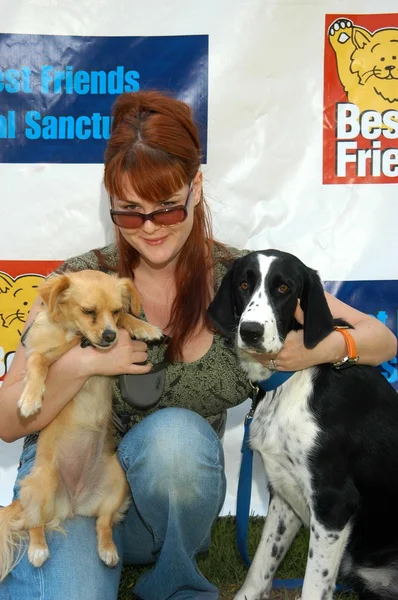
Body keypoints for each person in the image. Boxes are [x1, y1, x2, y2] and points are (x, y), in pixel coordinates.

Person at [0, 90, 396, 600]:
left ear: (196, 189)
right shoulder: (79, 284)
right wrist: (82, 362)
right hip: (68, 494)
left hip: (169, 518)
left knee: (177, 441)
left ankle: (176, 581)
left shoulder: (244, 280)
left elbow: (381, 339)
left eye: (165, 210)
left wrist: (314, 351)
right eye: (128, 212)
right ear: (110, 204)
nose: (148, 228)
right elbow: (8, 420)